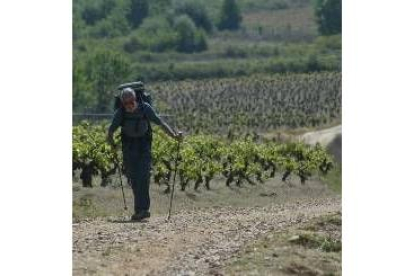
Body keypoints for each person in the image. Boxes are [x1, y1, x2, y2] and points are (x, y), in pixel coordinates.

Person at [107, 87, 182, 221]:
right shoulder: (121, 113)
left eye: (131, 102)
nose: (129, 106)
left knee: (144, 176)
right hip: (128, 148)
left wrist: (174, 136)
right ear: (122, 103)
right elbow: (111, 131)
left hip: (144, 146)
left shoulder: (146, 108)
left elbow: (161, 123)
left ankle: (143, 210)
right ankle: (140, 210)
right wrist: (112, 144)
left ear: (135, 99)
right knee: (133, 178)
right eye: (126, 104)